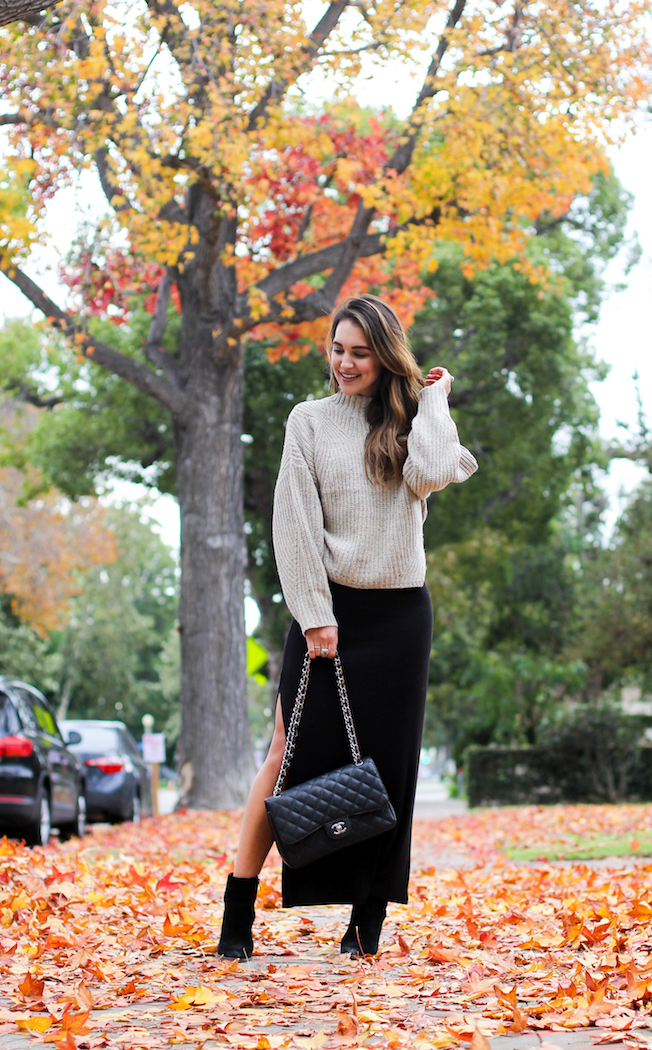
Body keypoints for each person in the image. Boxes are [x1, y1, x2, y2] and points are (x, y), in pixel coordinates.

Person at [217, 294, 478, 960]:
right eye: (338, 349)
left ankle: (365, 927)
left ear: (384, 355)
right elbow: (294, 523)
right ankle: (237, 914)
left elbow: (432, 473)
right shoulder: (307, 421)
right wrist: (314, 616)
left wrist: (436, 401)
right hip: (328, 609)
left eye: (360, 353)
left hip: (400, 618)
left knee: (389, 767)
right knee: (284, 757)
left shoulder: (410, 417)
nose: (345, 363)